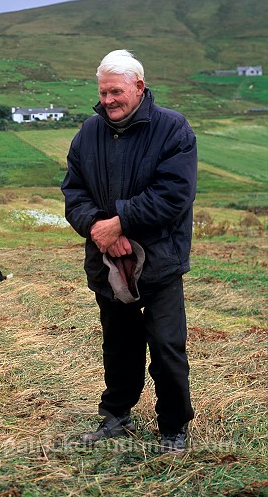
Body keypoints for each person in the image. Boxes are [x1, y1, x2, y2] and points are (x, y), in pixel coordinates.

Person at [61, 49, 197, 454]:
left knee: (167, 347)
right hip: (108, 262)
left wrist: (120, 222)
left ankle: (173, 427)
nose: (108, 101)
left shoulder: (173, 129)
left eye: (115, 91)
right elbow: (73, 191)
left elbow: (174, 195)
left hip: (159, 262)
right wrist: (98, 229)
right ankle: (116, 416)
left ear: (139, 86)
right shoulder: (89, 131)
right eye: (102, 93)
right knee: (118, 345)